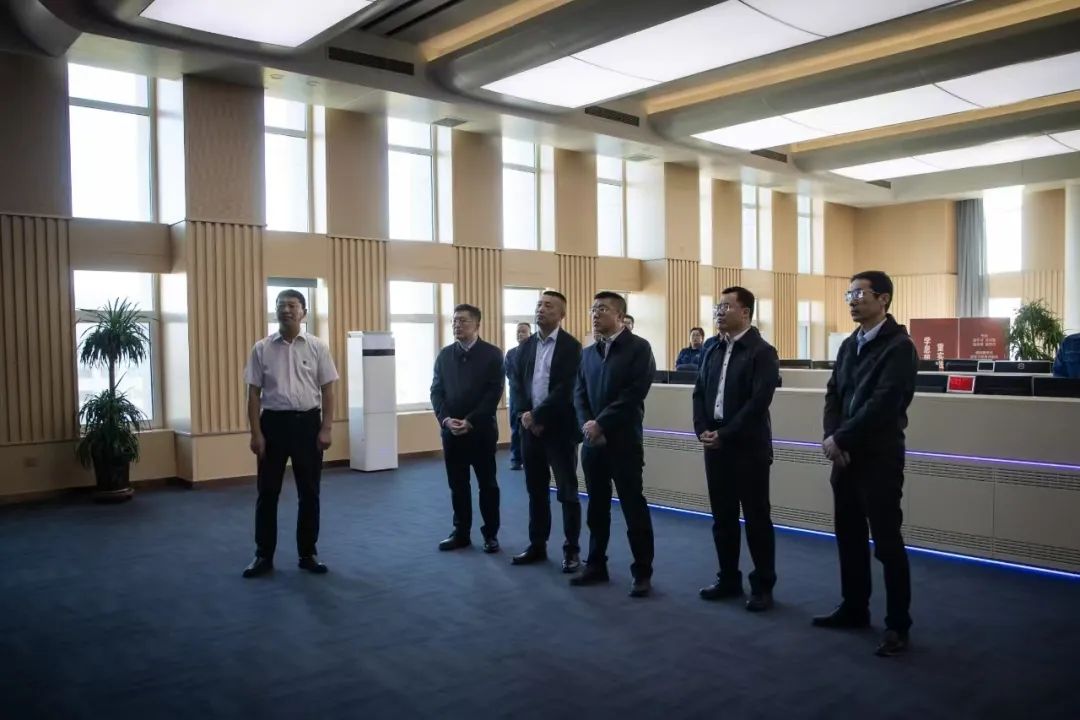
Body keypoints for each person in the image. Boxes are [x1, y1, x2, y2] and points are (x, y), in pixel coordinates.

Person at [814, 271, 917, 658]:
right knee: (849, 536)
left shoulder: (900, 346)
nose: (853, 301)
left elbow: (885, 403)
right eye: (849, 295)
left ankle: (897, 625)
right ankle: (854, 607)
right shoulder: (849, 344)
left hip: (879, 457)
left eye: (860, 294)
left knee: (887, 542)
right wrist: (833, 436)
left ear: (883, 298)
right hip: (845, 458)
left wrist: (842, 438)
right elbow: (834, 395)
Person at [692, 287, 779, 611]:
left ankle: (763, 586)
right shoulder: (712, 348)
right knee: (722, 517)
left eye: (726, 306)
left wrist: (726, 434)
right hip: (715, 444)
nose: (719, 312)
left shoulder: (762, 351)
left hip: (747, 446)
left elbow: (758, 402)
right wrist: (702, 429)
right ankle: (728, 578)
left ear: (745, 312)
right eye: (717, 306)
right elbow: (699, 392)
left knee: (756, 518)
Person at [242, 289, 338, 578]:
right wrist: (256, 433)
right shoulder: (261, 348)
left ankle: (307, 553)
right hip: (273, 425)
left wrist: (327, 427)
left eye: (292, 305)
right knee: (267, 492)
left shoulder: (317, 347)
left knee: (309, 492)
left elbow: (328, 390)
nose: (286, 310)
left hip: (308, 424)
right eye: (281, 305)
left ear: (303, 312)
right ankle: (263, 555)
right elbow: (253, 394)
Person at [572, 291, 657, 597]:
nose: (595, 314)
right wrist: (588, 425)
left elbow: (634, 393)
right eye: (593, 309)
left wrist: (602, 424)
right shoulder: (588, 353)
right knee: (596, 507)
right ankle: (596, 564)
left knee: (633, 507)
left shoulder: (639, 348)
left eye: (603, 309)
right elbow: (579, 393)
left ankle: (642, 572)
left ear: (620, 316)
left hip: (623, 442)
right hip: (593, 443)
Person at [507, 291, 583, 572]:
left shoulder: (572, 347)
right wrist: (525, 416)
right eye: (539, 304)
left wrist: (538, 416)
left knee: (567, 492)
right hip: (530, 431)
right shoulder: (524, 348)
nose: (541, 309)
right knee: (536, 491)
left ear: (562, 314)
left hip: (559, 430)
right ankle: (537, 545)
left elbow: (567, 389)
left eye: (548, 306)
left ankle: (572, 550)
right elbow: (517, 386)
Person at [430, 304, 505, 554]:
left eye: (463, 321)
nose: (457, 325)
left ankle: (490, 534)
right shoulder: (444, 355)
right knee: (458, 485)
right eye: (454, 321)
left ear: (477, 324)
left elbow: (493, 393)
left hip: (481, 432)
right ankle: (461, 532)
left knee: (487, 485)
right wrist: (445, 420)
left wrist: (471, 420)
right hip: (451, 433)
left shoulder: (492, 354)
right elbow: (436, 392)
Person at [504, 322, 532, 470]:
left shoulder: (535, 351)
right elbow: (509, 373)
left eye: (523, 331)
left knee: (530, 427)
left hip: (531, 397)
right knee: (515, 428)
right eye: (518, 332)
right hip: (515, 396)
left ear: (530, 334)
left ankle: (531, 459)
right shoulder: (511, 353)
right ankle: (516, 459)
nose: (520, 334)